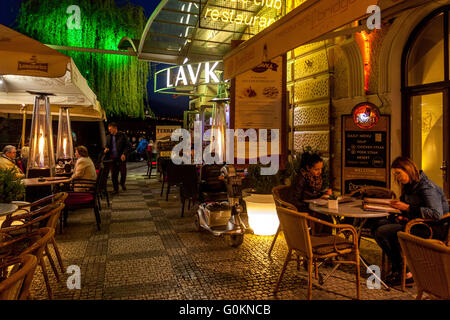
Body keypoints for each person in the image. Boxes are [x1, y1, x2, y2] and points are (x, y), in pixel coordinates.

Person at [372, 156, 449, 287]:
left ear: (407, 170)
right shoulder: (409, 186)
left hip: (431, 228)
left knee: (382, 232)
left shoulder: (427, 187)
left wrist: (407, 208)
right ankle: (400, 269)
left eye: (398, 173)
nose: (397, 177)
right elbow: (410, 208)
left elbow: (436, 214)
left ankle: (406, 273)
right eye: (395, 174)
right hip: (415, 223)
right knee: (378, 225)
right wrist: (401, 214)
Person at [288, 152, 332, 234]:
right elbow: (294, 199)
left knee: (328, 218)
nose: (319, 172)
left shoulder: (314, 178)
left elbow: (312, 194)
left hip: (311, 206)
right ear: (308, 168)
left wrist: (323, 194)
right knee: (326, 219)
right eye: (316, 169)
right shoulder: (301, 179)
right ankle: (318, 241)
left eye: (321, 169)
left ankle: (325, 241)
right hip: (303, 208)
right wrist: (309, 206)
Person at [104, 122, 130, 194]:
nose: (110, 131)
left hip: (121, 157)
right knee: (114, 175)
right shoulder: (108, 137)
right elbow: (107, 146)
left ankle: (122, 183)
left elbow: (127, 146)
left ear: (115, 128)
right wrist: (106, 149)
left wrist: (124, 154)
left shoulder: (122, 135)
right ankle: (116, 189)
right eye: (109, 129)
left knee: (123, 172)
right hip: (112, 158)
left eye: (111, 129)